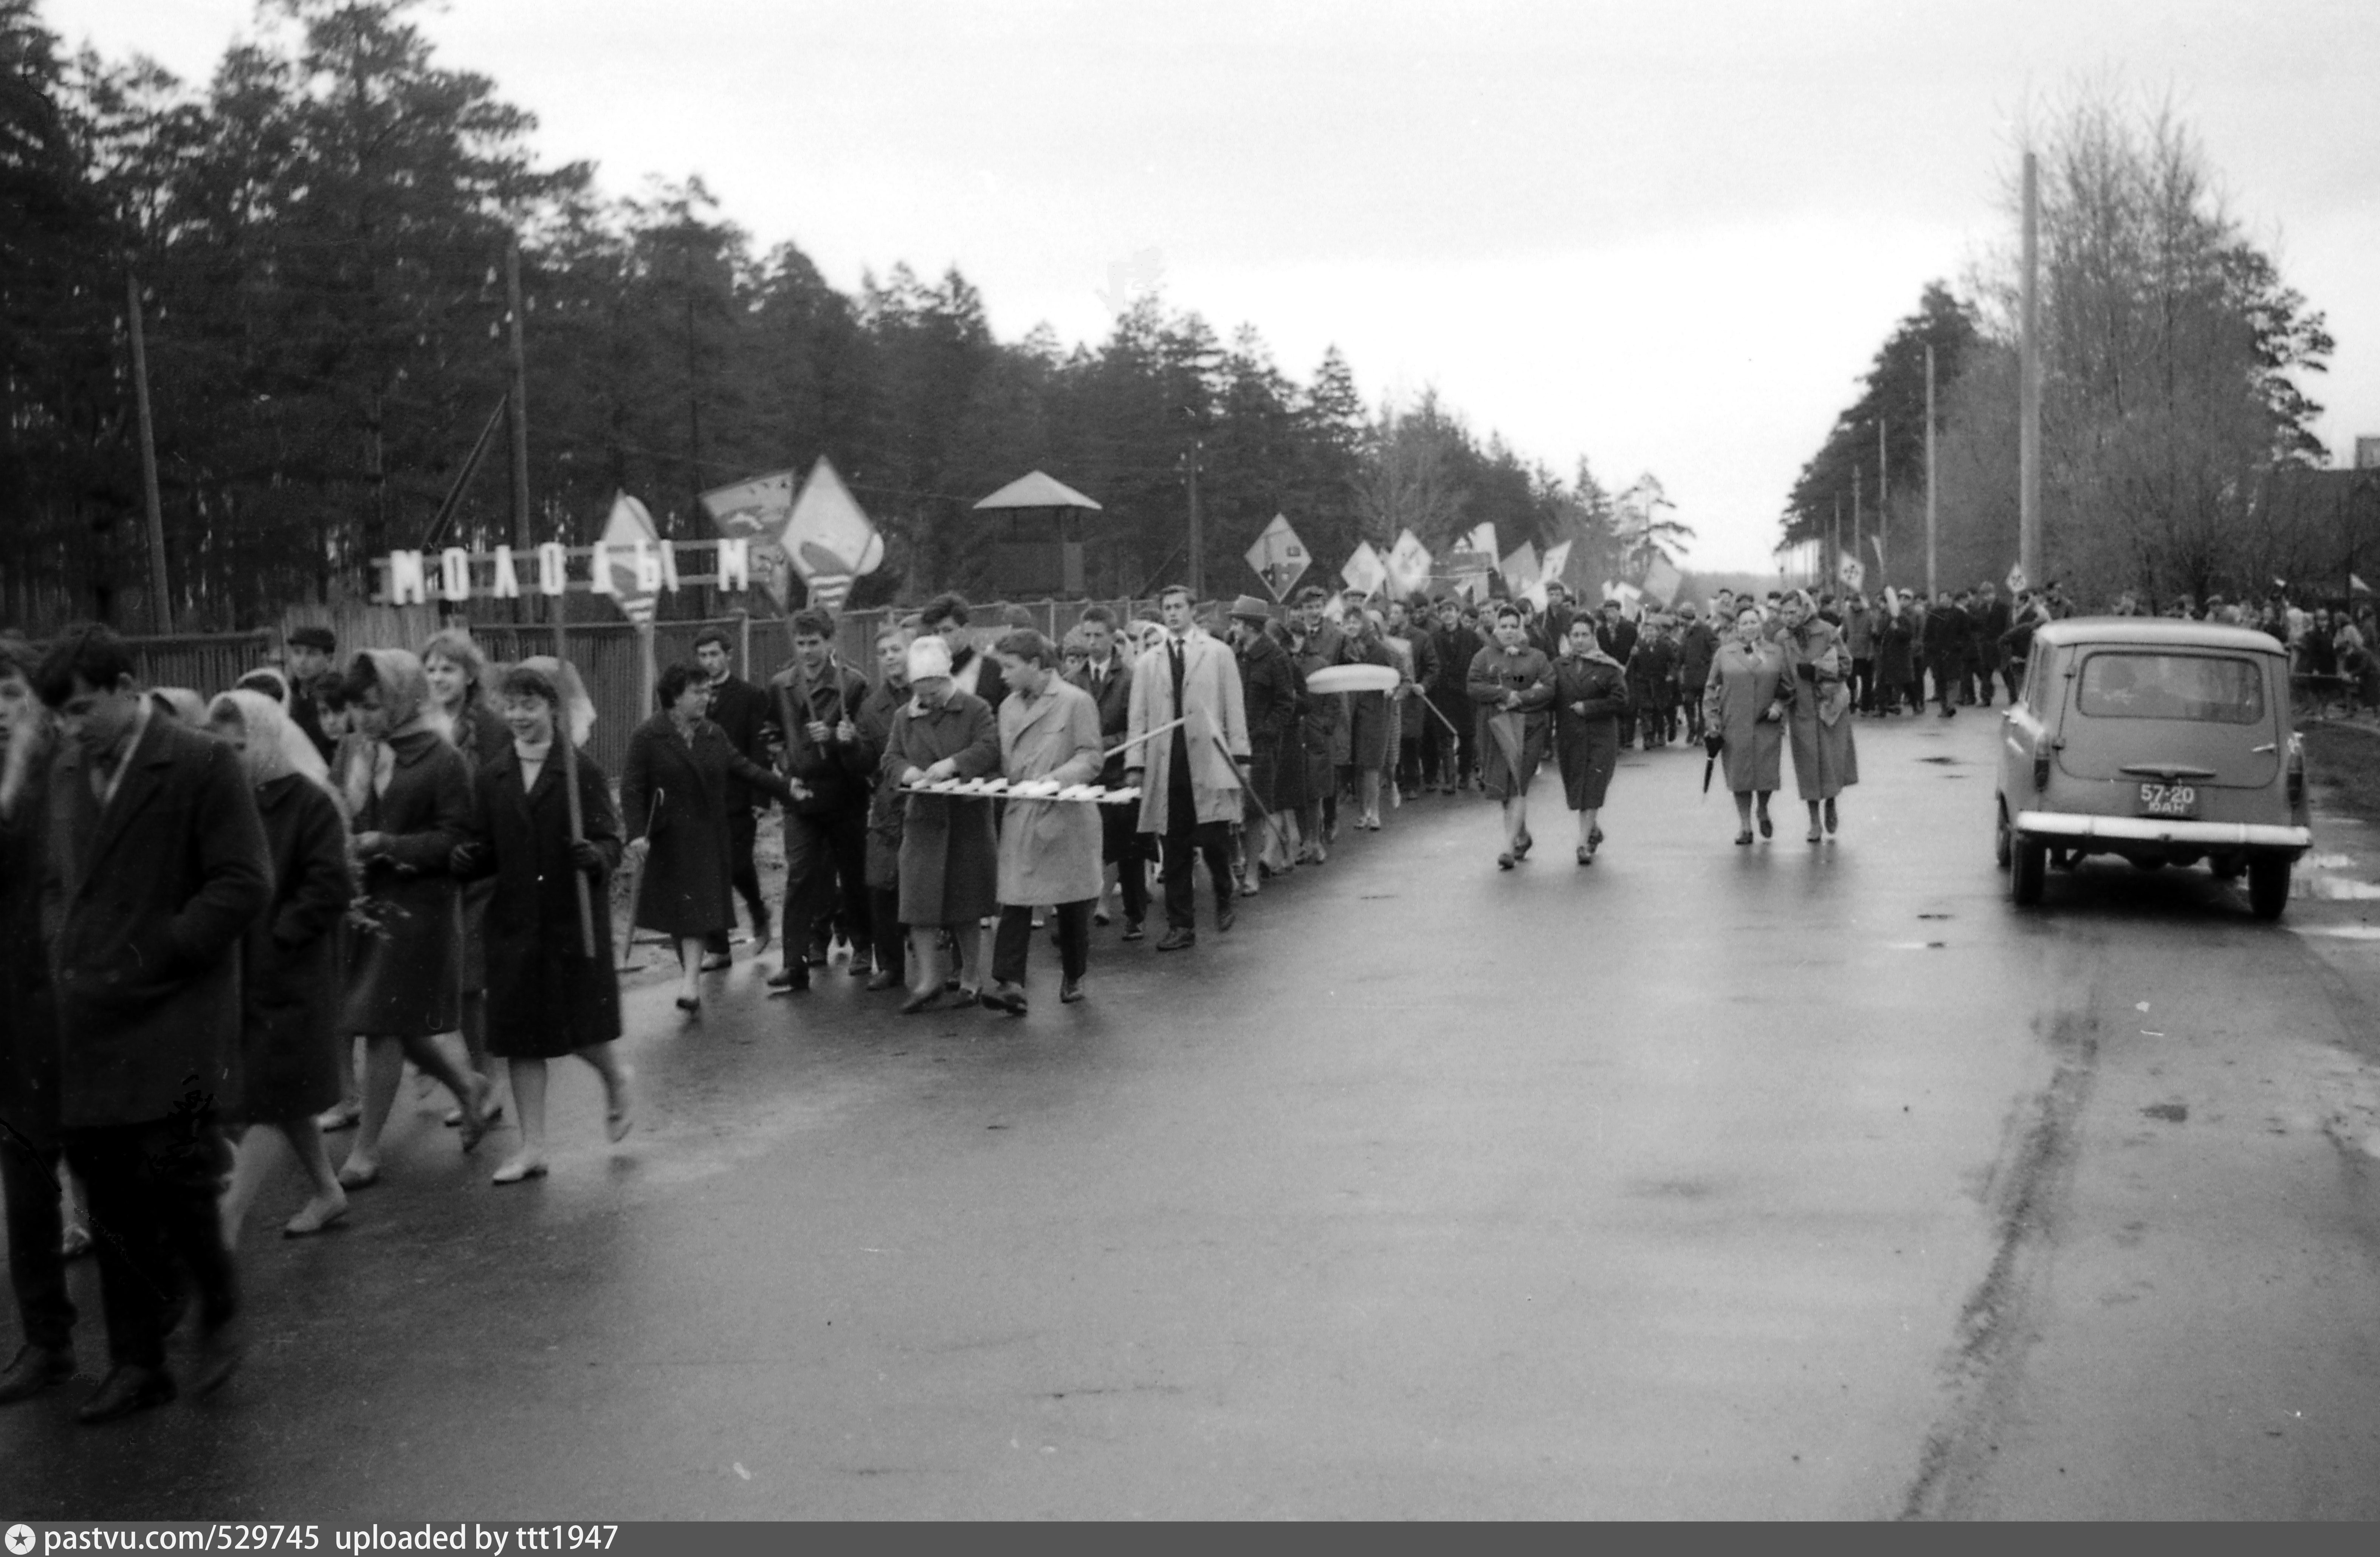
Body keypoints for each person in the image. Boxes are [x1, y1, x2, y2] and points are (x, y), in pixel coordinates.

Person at [32, 624, 272, 1422]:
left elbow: (242, 882)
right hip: (91, 1013)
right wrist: (65, 946)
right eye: (59, 715)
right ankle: (137, 1364)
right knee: (110, 1198)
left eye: (82, 709)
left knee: (177, 1179)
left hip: (175, 1007)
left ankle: (219, 1303)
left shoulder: (200, 763)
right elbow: (58, 879)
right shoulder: (67, 767)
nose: (70, 728)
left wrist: (161, 949)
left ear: (129, 686)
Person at [452, 660, 633, 1185]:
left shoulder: (581, 773)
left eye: (529, 705)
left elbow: (611, 842)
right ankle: (533, 1146)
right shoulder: (492, 776)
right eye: (510, 705)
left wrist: (595, 856)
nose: (518, 716)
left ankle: (616, 1075)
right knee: (520, 1037)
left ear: (553, 708)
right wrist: (469, 858)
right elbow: (487, 847)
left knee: (577, 1029)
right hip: (514, 925)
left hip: (569, 921)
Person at [333, 649, 490, 1190]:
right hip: (366, 904)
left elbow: (457, 839)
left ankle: (366, 1149)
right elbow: (337, 811)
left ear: (401, 699)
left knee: (379, 1023)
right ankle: (468, 1088)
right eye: (356, 708)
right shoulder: (355, 750)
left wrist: (388, 843)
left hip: (420, 907)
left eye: (373, 706)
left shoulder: (441, 757)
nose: (363, 719)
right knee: (389, 1019)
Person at [206, 691, 354, 1244]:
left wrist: (280, 934)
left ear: (266, 740)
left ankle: (231, 1215)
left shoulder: (307, 803)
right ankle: (326, 1188)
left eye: (242, 747)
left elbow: (330, 883)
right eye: (222, 748)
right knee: (281, 1091)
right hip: (241, 970)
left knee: (269, 1095)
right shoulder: (225, 803)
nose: (233, 758)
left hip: (292, 971)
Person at [621, 663, 795, 1014]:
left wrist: (787, 787)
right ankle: (690, 977)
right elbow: (632, 788)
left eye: (708, 692)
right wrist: (637, 834)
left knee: (696, 911)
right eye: (698, 692)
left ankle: (690, 987)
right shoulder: (647, 736)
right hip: (668, 839)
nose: (707, 698)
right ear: (675, 697)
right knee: (679, 912)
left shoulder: (714, 734)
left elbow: (745, 768)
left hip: (706, 836)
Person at [0, 638, 71, 1406]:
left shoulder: (74, 766)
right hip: (14, 1015)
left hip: (81, 1001)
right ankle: (46, 1339)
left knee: (115, 1171)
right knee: (24, 1179)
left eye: (9, 692)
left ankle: (156, 1318)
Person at [984, 630, 1106, 1014]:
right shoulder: (1006, 708)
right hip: (1022, 815)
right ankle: (1010, 983)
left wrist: (1055, 779)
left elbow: (1091, 758)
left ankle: (1074, 973)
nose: (1002, 676)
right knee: (1015, 899)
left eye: (1009, 667)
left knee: (1069, 904)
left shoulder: (1075, 702)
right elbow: (1005, 763)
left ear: (1035, 665)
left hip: (1064, 817)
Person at [1125, 584, 1251, 951]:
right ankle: (1181, 925)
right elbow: (1139, 716)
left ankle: (1224, 890)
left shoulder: (1217, 653)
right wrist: (1136, 762)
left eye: (1179, 607)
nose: (1173, 614)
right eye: (1167, 608)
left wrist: (1240, 757)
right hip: (1168, 764)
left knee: (1213, 839)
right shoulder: (1149, 662)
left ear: (1192, 610)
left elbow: (1233, 708)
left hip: (1209, 758)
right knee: (1174, 845)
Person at [421, 627, 509, 1124]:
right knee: (452, 987)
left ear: (470, 674)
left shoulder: (491, 728)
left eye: (448, 668)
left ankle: (487, 1081)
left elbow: (499, 796)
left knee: (470, 984)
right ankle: (473, 1079)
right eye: (431, 669)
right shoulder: (421, 723)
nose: (438, 677)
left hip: (479, 869)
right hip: (437, 869)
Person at [887, 636, 1001, 1011]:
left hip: (965, 818)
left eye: (931, 692)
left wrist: (952, 765)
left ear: (944, 680)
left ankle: (970, 977)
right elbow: (890, 759)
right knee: (917, 904)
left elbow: (989, 746)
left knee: (965, 904)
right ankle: (929, 979)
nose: (925, 701)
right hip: (923, 819)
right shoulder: (905, 716)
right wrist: (909, 773)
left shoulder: (974, 708)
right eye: (918, 693)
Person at [765, 609, 875, 988]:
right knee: (800, 878)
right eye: (801, 643)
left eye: (814, 643)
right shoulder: (781, 684)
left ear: (830, 643)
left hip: (844, 795)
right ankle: (794, 961)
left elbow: (864, 738)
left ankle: (864, 945)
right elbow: (772, 733)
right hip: (801, 796)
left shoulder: (853, 684)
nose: (807, 651)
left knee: (853, 873)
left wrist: (833, 736)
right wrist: (785, 763)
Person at [694, 627, 775, 964]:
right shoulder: (691, 695)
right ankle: (718, 946)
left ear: (728, 655)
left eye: (714, 654)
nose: (709, 662)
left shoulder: (749, 695)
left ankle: (758, 911)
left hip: (739, 795)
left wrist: (760, 797)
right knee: (707, 871)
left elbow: (759, 749)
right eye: (703, 656)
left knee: (737, 864)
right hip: (702, 798)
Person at [1067, 606, 1149, 937]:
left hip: (1118, 774)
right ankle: (1078, 922)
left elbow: (1138, 727)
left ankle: (1135, 915)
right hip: (1087, 775)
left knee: (1128, 850)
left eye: (1097, 636)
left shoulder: (1131, 677)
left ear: (1113, 638)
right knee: (1084, 849)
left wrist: (1100, 744)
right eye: (1086, 635)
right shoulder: (1073, 678)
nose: (1091, 642)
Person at [1467, 604, 1555, 869]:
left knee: (1518, 784)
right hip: (1495, 726)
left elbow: (1549, 688)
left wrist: (1522, 697)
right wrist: (1502, 694)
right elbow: (1473, 686)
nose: (1508, 632)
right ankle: (1522, 836)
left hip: (1530, 726)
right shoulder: (1484, 656)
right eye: (1503, 626)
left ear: (1522, 628)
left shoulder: (1537, 657)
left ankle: (1507, 847)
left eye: (1513, 626)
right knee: (1503, 787)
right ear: (1496, 628)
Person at [852, 623, 913, 990]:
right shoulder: (871, 708)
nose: (890, 657)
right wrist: (849, 747)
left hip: (928, 805)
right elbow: (862, 764)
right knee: (879, 883)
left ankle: (958, 967)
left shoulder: (932, 692)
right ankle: (890, 964)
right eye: (883, 653)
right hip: (888, 807)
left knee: (935, 884)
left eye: (896, 649)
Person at [1703, 603, 1790, 846]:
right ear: (1737, 628)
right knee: (1739, 777)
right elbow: (1711, 688)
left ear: (1761, 625)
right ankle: (1745, 825)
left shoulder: (1776, 653)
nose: (1750, 627)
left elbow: (1788, 687)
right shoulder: (1724, 654)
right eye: (1745, 623)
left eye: (1754, 622)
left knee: (1765, 775)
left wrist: (1779, 707)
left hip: (1766, 723)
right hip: (1734, 723)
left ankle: (1762, 809)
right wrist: (1712, 720)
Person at [1226, 596, 1296, 891]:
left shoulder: (1276, 658)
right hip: (1230, 745)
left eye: (1237, 622)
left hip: (1260, 748)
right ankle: (1234, 868)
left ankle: (1252, 873)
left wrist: (1267, 733)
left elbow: (1285, 703)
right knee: (1228, 809)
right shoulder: (1232, 655)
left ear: (1250, 626)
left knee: (1254, 812)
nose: (1234, 627)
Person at [1777, 590, 1859, 842]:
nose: (1788, 618)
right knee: (1808, 767)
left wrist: (1817, 671)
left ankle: (1831, 804)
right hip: (1800, 710)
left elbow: (1846, 665)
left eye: (1793, 612)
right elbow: (1779, 674)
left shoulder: (1827, 631)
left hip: (1829, 708)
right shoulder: (1781, 638)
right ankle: (1814, 821)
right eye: (1784, 613)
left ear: (1805, 609)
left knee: (1831, 762)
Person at [1551, 616, 1629, 865]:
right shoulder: (1559, 666)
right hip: (1570, 736)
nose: (1580, 640)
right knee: (1578, 788)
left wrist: (1591, 707)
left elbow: (1621, 700)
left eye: (1585, 635)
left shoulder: (1608, 667)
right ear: (1568, 638)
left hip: (1600, 736)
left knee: (1592, 787)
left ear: (1594, 637)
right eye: (1575, 635)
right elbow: (1546, 694)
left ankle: (1582, 844)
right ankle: (1593, 830)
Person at [1287, 598, 1345, 865]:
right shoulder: (1283, 663)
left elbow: (1334, 699)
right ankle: (1305, 841)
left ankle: (1316, 841)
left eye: (1299, 637)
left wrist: (1325, 726)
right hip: (1292, 734)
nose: (1295, 642)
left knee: (1315, 793)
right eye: (1291, 637)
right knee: (1297, 792)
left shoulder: (1320, 663)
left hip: (1314, 734)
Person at [1336, 608, 1398, 831]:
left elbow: (1392, 676)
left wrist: (1390, 688)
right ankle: (1363, 812)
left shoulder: (1379, 649)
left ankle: (1374, 813)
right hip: (1349, 712)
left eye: (1355, 622)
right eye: (1347, 622)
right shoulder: (1341, 648)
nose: (1352, 626)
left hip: (1373, 712)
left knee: (1371, 764)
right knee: (1355, 765)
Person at [1426, 597, 1478, 792]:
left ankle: (1465, 775)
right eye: (1443, 611)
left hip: (1466, 694)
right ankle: (1450, 780)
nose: (1447, 614)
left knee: (1467, 735)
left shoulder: (1471, 638)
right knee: (1445, 737)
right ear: (1439, 615)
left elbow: (1479, 662)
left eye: (1451, 610)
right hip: (1443, 694)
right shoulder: (1433, 638)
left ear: (1458, 613)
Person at [284, 625, 338, 764]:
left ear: (329, 660)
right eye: (297, 653)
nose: (302, 661)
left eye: (311, 654)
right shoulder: (285, 694)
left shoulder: (337, 695)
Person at [1594, 600, 1640, 750]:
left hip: (1628, 670)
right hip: (1610, 670)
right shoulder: (1601, 631)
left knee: (1629, 703)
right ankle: (1618, 737)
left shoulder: (1630, 629)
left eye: (1613, 611)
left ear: (1620, 612)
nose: (1610, 615)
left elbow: (1637, 648)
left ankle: (1629, 736)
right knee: (1614, 701)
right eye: (1607, 612)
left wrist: (1636, 653)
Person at [1677, 603, 1719, 743]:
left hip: (1704, 674)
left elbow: (1715, 647)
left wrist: (1710, 664)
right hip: (1689, 676)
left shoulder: (1705, 630)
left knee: (1702, 706)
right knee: (1688, 703)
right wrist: (1677, 668)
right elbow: (1681, 653)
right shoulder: (1685, 632)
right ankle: (1692, 729)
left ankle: (1700, 733)